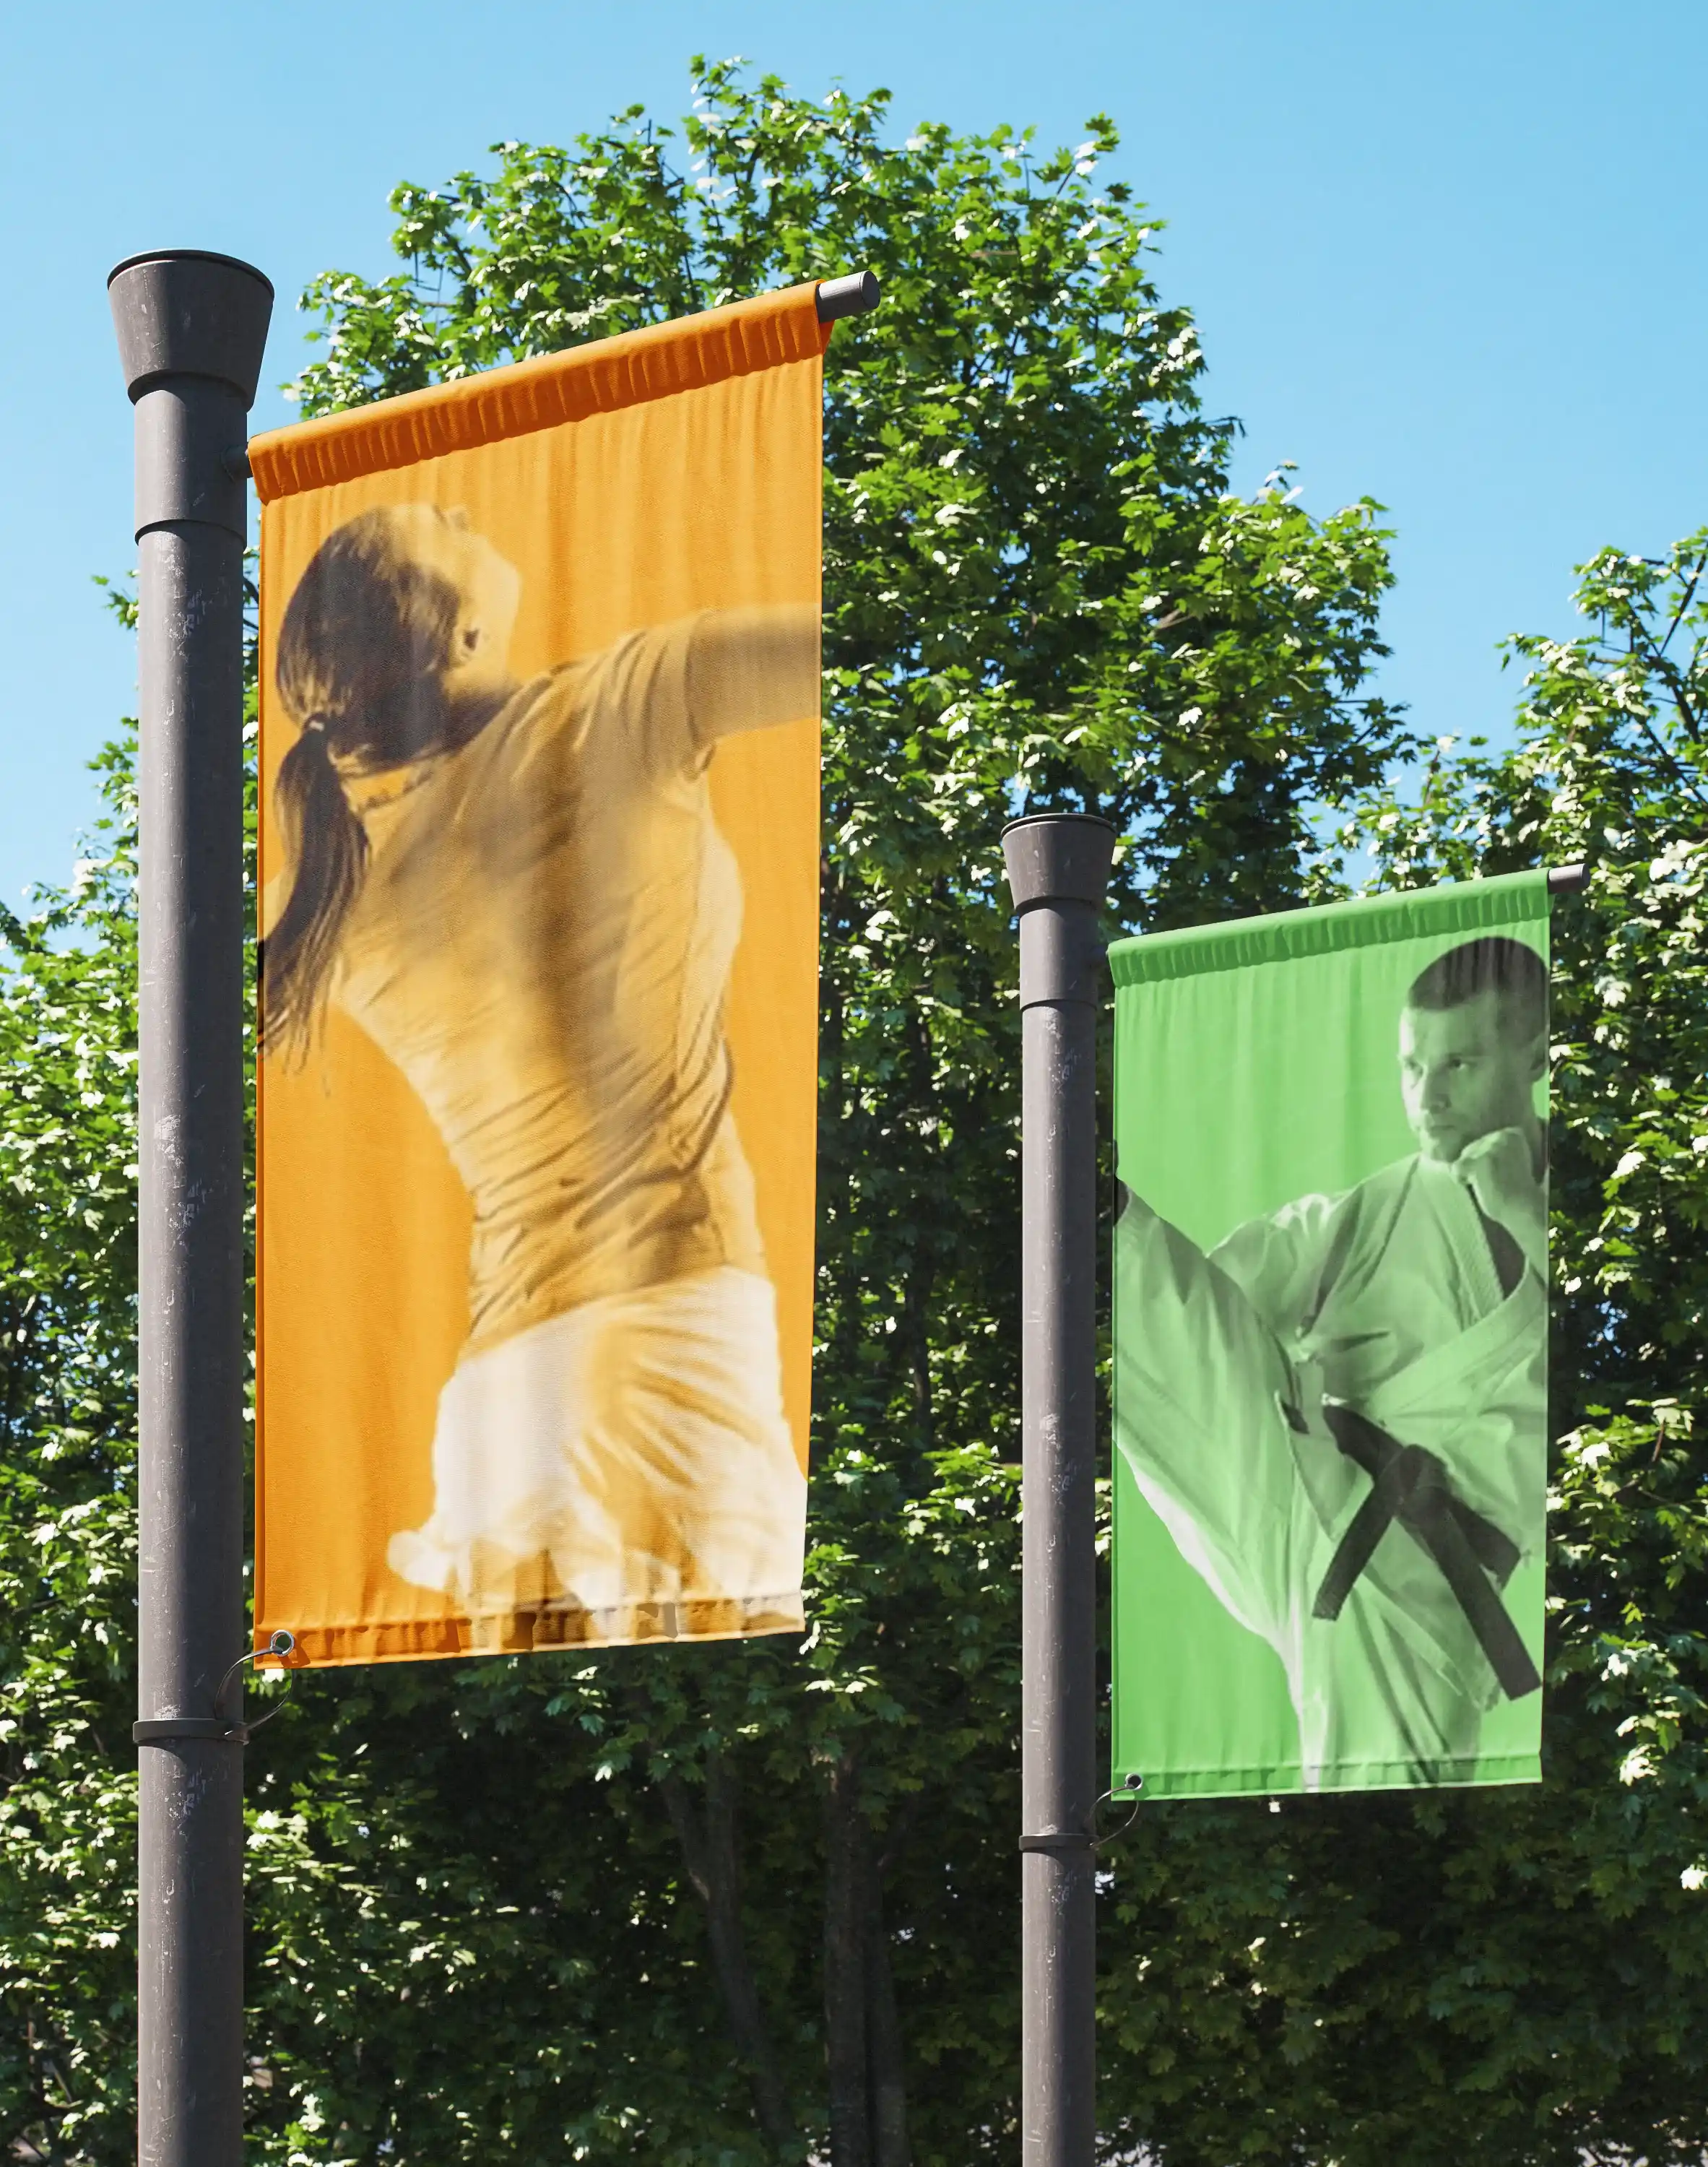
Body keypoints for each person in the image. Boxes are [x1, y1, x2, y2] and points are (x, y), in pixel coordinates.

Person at [262, 502, 818, 1645]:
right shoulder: (619, 706)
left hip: (505, 1399)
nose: (466, 510)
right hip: (659, 1355)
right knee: (777, 1759)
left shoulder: (326, 886)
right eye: (448, 529)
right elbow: (865, 642)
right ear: (457, 639)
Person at [1113, 935, 1549, 1788]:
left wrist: (1524, 1215)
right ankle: (1081, 1203)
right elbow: (1211, 1312)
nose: (1427, 1096)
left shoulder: (1602, 1207)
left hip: (1425, 1590)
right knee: (1152, 1299)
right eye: (1410, 1066)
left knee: (1383, 1824)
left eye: (1458, 1062)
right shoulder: (1357, 1218)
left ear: (1534, 1057)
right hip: (1300, 1489)